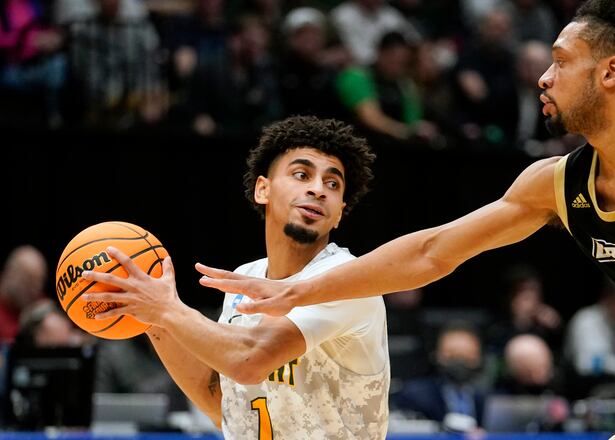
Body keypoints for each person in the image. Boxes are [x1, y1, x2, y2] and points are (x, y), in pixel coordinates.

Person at [197, 0, 615, 438]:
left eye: (560, 63)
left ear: (610, 73)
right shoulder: (556, 184)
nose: (543, 77)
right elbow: (433, 252)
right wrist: (298, 288)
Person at [81, 116, 390, 438]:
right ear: (262, 189)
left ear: (340, 212)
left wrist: (167, 310)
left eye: (333, 184)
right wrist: (152, 321)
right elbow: (221, 404)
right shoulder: (248, 277)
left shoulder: (346, 280)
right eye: (302, 175)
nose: (317, 189)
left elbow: (249, 360)